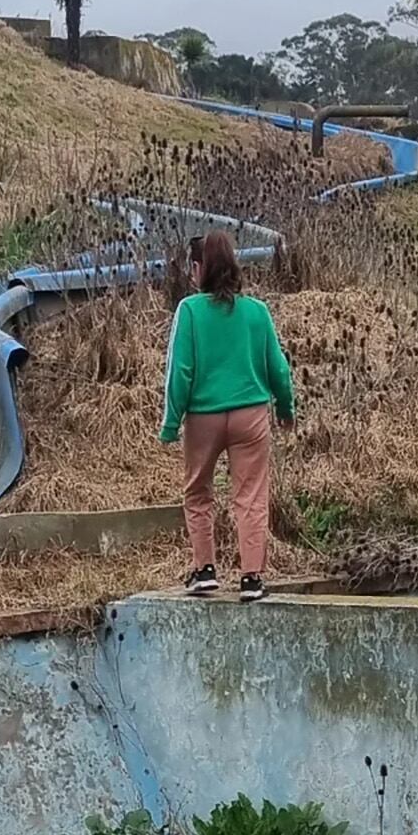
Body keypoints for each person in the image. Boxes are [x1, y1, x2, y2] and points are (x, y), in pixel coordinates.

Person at [159, 230, 295, 599]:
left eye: (193, 267)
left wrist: (171, 423)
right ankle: (251, 578)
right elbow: (278, 368)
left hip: (203, 417)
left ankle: (204, 571)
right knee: (250, 495)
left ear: (199, 268)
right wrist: (285, 407)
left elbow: (180, 371)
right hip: (251, 415)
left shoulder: (189, 310)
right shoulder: (256, 312)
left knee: (198, 491)